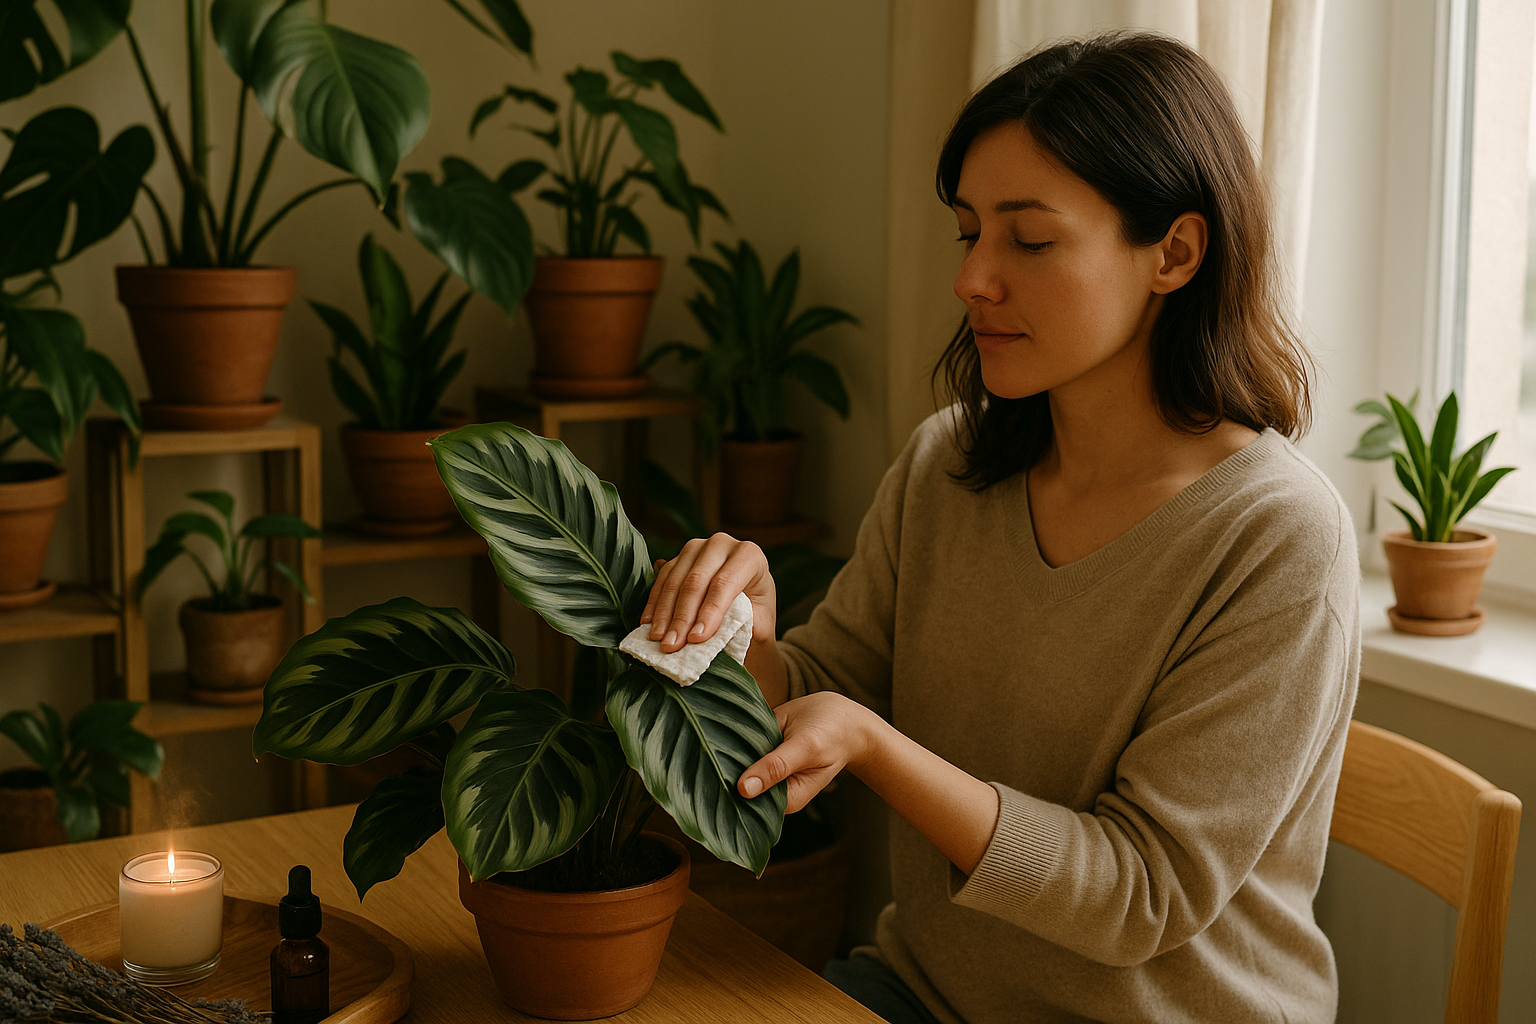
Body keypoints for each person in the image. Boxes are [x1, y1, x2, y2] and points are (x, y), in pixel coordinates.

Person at [641, 32, 1359, 1024]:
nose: (973, 278)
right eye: (969, 232)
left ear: (1176, 253)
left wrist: (875, 747)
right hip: (929, 992)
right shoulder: (949, 461)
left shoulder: (1280, 537)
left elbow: (1143, 892)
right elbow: (817, 694)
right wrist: (741, 639)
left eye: (1029, 239)